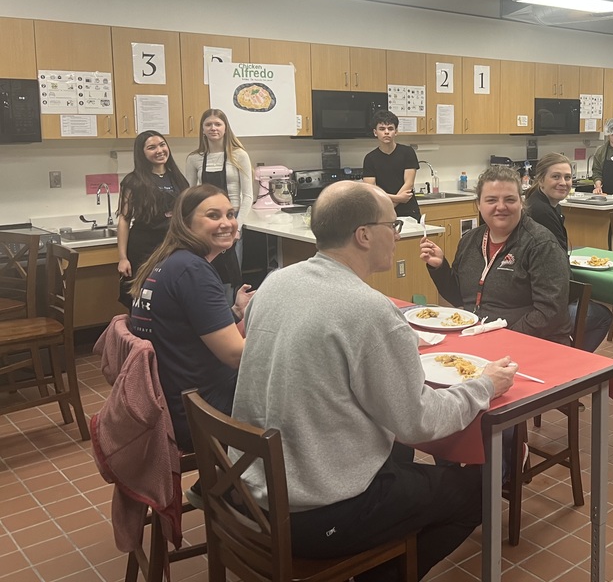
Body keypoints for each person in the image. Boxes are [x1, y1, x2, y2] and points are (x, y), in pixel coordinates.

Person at [232, 182, 516, 578]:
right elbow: (417, 421)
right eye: (393, 225)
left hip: (249, 488)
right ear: (363, 235)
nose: (397, 235)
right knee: (479, 488)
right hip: (313, 512)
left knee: (397, 455)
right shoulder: (371, 311)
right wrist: (484, 385)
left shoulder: (276, 282)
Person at [127, 184, 254, 452]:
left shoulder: (170, 261)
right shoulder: (193, 271)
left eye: (230, 214)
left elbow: (183, 329)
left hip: (177, 400)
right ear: (185, 224)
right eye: (213, 215)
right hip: (201, 411)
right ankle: (249, 478)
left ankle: (232, 477)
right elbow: (235, 355)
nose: (227, 223)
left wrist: (234, 312)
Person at [420, 165, 571, 344]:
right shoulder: (469, 241)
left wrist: (503, 339)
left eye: (509, 199)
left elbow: (550, 313)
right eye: (491, 200)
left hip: (533, 342)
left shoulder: (542, 245)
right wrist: (440, 268)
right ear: (479, 204)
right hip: (478, 336)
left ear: (521, 202)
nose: (501, 207)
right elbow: (459, 297)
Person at [524, 153, 613, 352]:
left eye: (567, 177)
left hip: (535, 296)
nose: (563, 183)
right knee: (601, 316)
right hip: (539, 304)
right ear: (541, 180)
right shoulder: (541, 211)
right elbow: (556, 261)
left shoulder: (545, 204)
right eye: (555, 177)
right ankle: (570, 360)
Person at [116, 131, 189, 307]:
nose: (159, 150)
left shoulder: (178, 178)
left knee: (171, 295)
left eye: (162, 145)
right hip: (144, 247)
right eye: (151, 147)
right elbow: (124, 220)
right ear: (141, 153)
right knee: (142, 295)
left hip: (173, 246)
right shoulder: (133, 181)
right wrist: (123, 258)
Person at [184, 109, 253, 295]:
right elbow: (189, 197)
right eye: (208, 124)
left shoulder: (239, 155)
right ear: (202, 129)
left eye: (217, 124)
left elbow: (248, 196)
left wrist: (237, 227)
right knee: (207, 274)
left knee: (230, 275)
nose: (213, 128)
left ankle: (232, 310)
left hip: (232, 220)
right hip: (207, 222)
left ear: (225, 128)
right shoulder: (194, 159)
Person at [363, 110, 420, 221]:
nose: (386, 132)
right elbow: (372, 190)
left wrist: (390, 206)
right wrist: (398, 198)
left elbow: (409, 184)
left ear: (396, 131)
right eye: (382, 129)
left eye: (390, 129)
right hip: (382, 211)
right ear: (375, 132)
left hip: (408, 211)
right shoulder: (370, 158)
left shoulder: (407, 152)